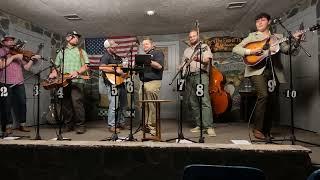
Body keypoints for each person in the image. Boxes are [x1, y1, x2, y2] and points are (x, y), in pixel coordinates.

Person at [232, 13, 302, 141]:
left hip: (274, 72)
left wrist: (296, 41)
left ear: (269, 22)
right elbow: (236, 49)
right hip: (257, 70)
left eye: (262, 20)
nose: (259, 23)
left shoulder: (278, 37)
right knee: (263, 95)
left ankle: (266, 131)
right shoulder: (252, 36)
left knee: (272, 101)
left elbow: (288, 50)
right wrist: (251, 51)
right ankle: (257, 129)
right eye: (257, 21)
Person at [49, 31, 89, 134]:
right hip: (63, 82)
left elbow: (86, 66)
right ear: (68, 38)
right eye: (75, 37)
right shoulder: (61, 52)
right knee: (65, 104)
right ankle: (68, 125)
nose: (77, 39)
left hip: (77, 81)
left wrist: (77, 71)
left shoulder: (81, 51)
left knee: (77, 104)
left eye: (78, 38)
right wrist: (53, 73)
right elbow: (56, 67)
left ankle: (80, 126)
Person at [179, 29, 216, 137]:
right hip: (189, 77)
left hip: (201, 75)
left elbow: (206, 60)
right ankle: (200, 125)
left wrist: (197, 59)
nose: (191, 38)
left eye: (194, 36)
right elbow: (184, 64)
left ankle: (208, 126)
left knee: (204, 101)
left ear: (198, 36)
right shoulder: (186, 51)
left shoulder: (204, 47)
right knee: (193, 102)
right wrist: (181, 68)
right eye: (190, 37)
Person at [0, 35, 40, 134]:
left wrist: (32, 59)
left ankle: (22, 124)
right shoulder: (1, 51)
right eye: (8, 40)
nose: (11, 42)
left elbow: (26, 67)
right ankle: (8, 126)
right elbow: (1, 65)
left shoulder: (18, 52)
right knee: (6, 104)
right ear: (3, 42)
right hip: (4, 82)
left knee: (22, 103)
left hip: (19, 82)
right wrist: (14, 57)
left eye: (12, 40)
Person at [100, 39, 128, 133]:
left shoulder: (118, 57)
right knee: (114, 105)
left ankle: (121, 123)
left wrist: (125, 73)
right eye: (113, 47)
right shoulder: (105, 57)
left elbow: (122, 70)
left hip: (121, 83)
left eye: (116, 46)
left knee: (124, 104)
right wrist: (115, 70)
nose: (116, 48)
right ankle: (111, 125)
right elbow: (102, 67)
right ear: (108, 48)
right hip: (112, 84)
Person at [139, 37, 164, 135]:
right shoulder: (144, 56)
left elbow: (159, 66)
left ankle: (153, 127)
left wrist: (147, 60)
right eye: (143, 44)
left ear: (152, 45)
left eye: (147, 44)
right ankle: (146, 126)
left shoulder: (157, 53)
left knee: (152, 105)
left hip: (153, 82)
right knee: (143, 105)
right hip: (143, 82)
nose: (144, 46)